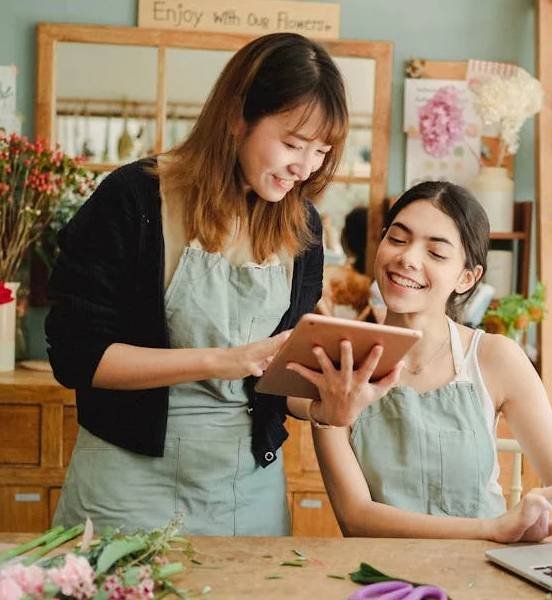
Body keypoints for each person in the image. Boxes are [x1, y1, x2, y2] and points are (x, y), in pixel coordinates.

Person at [45, 33, 402, 536]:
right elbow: (77, 356)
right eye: (292, 143)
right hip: (125, 487)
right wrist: (223, 360)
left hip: (246, 491)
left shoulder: (302, 226)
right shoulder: (134, 199)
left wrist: (329, 403)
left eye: (321, 151)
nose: (305, 168)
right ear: (238, 116)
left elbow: (284, 384)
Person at [289, 181, 552, 542]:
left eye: (436, 253)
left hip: (484, 575)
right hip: (382, 582)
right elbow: (355, 517)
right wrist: (494, 528)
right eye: (398, 239)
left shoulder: (494, 358)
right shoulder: (337, 361)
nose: (408, 258)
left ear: (467, 277)